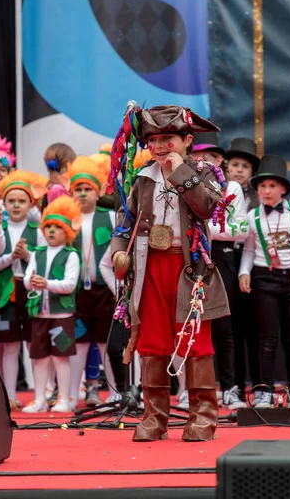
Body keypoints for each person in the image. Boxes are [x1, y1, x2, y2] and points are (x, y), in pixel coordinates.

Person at [110, 104, 229, 442]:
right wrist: (119, 251)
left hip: (189, 271)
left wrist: (179, 173)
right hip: (150, 268)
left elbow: (206, 207)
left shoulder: (205, 172)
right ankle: (154, 417)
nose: (160, 147)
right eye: (154, 140)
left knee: (195, 341)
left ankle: (204, 416)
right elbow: (126, 223)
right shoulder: (143, 178)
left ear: (187, 139)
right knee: (152, 342)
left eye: (168, 139)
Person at [239, 155, 290, 407]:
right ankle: (264, 389)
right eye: (262, 186)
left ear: (283, 189)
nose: (266, 191)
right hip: (264, 278)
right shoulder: (252, 216)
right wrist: (244, 272)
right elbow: (248, 249)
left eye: (272, 186)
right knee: (267, 338)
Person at [189, 132, 248, 410]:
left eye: (212, 156)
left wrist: (201, 231)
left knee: (225, 327)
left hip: (221, 260)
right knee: (190, 324)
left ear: (220, 159)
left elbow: (241, 229)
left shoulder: (231, 188)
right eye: (200, 156)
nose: (205, 161)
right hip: (189, 260)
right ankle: (192, 387)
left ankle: (230, 387)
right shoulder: (184, 184)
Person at [0, 170, 46, 409]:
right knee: (9, 344)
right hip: (6, 293)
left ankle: (41, 393)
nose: (16, 205)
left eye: (21, 201)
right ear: (4, 203)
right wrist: (9, 258)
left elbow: (47, 261)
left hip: (31, 293)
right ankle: (9, 396)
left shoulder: (39, 230)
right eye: (11, 201)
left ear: (30, 204)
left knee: (34, 343)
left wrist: (28, 255)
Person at [22, 196, 82, 413]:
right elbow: (27, 279)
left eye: (57, 227)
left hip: (61, 315)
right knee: (39, 359)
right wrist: (32, 282)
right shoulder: (37, 254)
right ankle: (39, 400)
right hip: (39, 315)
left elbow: (70, 284)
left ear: (67, 232)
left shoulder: (71, 255)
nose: (52, 231)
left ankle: (64, 399)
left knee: (60, 357)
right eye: (48, 227)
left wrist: (45, 283)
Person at [66, 156, 117, 409]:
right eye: (78, 189)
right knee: (79, 342)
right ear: (71, 193)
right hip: (76, 293)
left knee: (106, 342)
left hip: (105, 290)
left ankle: (114, 392)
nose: (83, 194)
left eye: (88, 189)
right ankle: (72, 394)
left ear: (98, 194)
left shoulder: (110, 218)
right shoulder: (65, 220)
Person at [226, 137, 261, 400]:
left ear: (252, 173)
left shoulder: (261, 198)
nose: (239, 170)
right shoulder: (221, 192)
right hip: (229, 259)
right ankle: (234, 384)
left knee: (257, 327)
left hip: (257, 264)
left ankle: (260, 384)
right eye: (234, 164)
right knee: (232, 327)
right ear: (226, 167)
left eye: (244, 166)